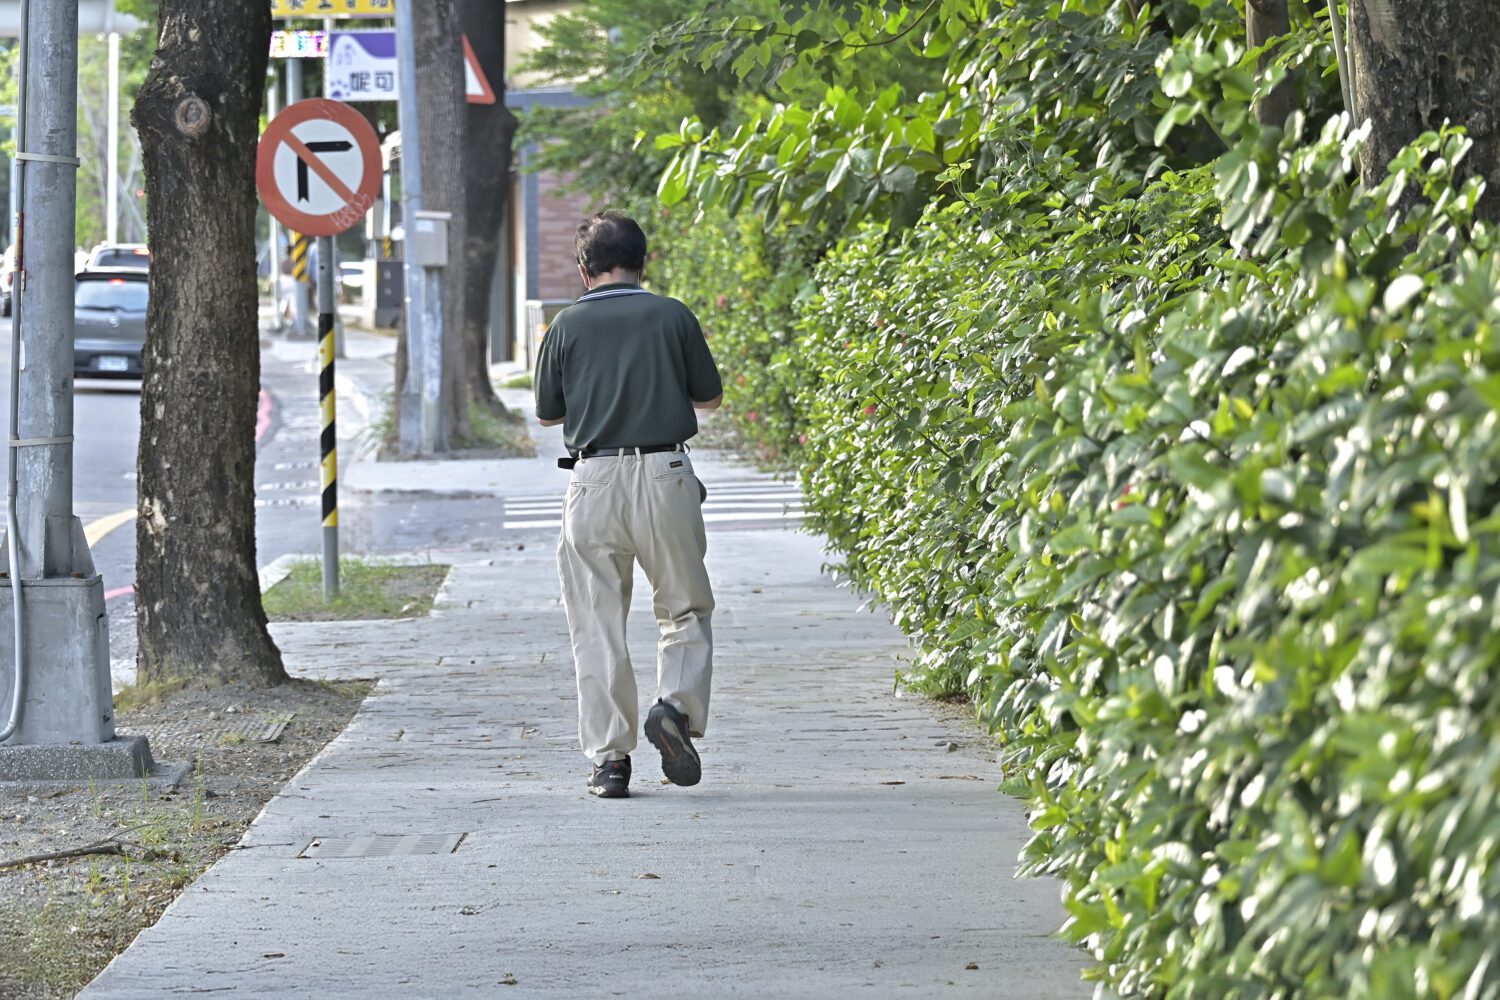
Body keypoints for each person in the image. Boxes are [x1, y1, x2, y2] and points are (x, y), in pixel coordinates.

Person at [534, 211, 724, 800]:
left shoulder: (565, 325)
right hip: (666, 472)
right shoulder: (673, 315)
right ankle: (675, 708)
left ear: (584, 268)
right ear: (645, 262)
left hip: (593, 480)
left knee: (596, 623)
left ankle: (611, 762)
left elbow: (548, 413)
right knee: (684, 608)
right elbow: (709, 396)